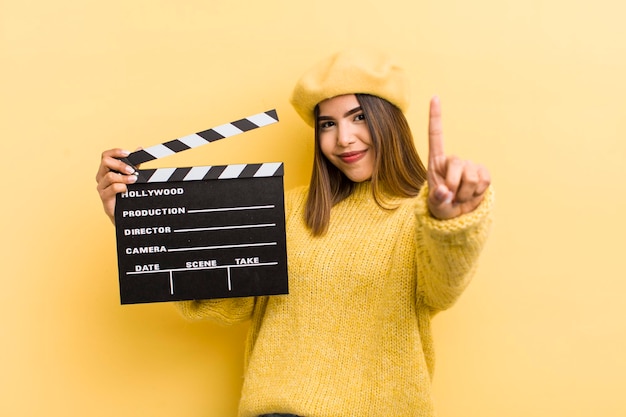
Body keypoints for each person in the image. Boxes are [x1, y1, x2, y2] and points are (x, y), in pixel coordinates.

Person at [96, 48, 493, 417]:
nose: (344, 138)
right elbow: (230, 301)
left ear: (389, 121)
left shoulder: (420, 217)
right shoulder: (286, 211)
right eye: (327, 124)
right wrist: (138, 225)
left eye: (359, 117)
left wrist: (446, 222)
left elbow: (444, 284)